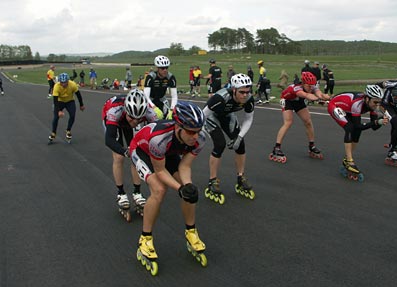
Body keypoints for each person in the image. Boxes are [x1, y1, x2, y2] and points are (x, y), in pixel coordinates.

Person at [130, 101, 208, 275]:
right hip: (142, 150)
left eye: (198, 131)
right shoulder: (159, 138)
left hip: (168, 153)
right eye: (190, 131)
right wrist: (179, 188)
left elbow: (185, 166)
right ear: (178, 126)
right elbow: (160, 171)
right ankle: (145, 238)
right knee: (159, 190)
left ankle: (191, 232)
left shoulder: (200, 139)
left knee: (190, 191)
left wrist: (187, 187)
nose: (195, 136)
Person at [102, 89, 158, 220]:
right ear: (126, 110)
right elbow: (108, 140)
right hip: (114, 119)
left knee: (136, 155)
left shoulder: (150, 113)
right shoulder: (114, 111)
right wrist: (123, 151)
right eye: (132, 117)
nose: (135, 121)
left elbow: (156, 134)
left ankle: (137, 192)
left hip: (125, 119)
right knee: (119, 156)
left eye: (139, 119)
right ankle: (121, 193)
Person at [202, 74, 256, 204]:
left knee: (240, 144)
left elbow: (248, 119)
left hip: (227, 116)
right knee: (220, 144)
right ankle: (212, 180)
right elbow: (202, 116)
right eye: (242, 92)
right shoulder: (219, 98)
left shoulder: (249, 99)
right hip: (211, 117)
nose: (245, 95)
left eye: (248, 92)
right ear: (233, 90)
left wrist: (239, 137)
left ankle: (241, 177)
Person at [327, 85, 388, 178]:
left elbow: (374, 128)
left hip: (348, 109)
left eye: (379, 102)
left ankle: (347, 159)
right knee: (349, 128)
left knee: (357, 132)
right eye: (375, 102)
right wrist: (376, 122)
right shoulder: (357, 104)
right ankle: (349, 160)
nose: (377, 105)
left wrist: (381, 121)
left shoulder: (372, 106)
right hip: (334, 105)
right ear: (367, 99)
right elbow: (358, 126)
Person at [269, 72, 331, 163]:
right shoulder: (297, 88)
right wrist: (320, 99)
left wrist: (324, 96)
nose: (311, 88)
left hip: (298, 101)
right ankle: (276, 147)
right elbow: (307, 96)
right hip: (287, 100)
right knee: (288, 122)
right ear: (303, 83)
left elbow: (319, 93)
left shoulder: (312, 86)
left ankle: (312, 146)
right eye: (309, 86)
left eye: (312, 85)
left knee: (308, 121)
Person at [48, 73, 85, 144]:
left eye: (65, 82)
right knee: (56, 117)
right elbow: (55, 100)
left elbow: (78, 95)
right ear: (59, 82)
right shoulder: (56, 86)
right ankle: (53, 133)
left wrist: (81, 105)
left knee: (72, 115)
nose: (64, 84)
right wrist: (59, 111)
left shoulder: (72, 84)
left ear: (68, 81)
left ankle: (68, 130)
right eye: (62, 82)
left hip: (69, 101)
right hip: (59, 102)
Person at [144, 55, 178, 119]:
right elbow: (146, 96)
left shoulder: (171, 77)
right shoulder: (150, 77)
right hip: (151, 99)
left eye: (166, 68)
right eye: (162, 68)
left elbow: (174, 96)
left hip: (162, 99)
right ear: (157, 68)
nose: (165, 70)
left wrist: (172, 110)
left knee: (170, 117)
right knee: (152, 116)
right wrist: (154, 107)